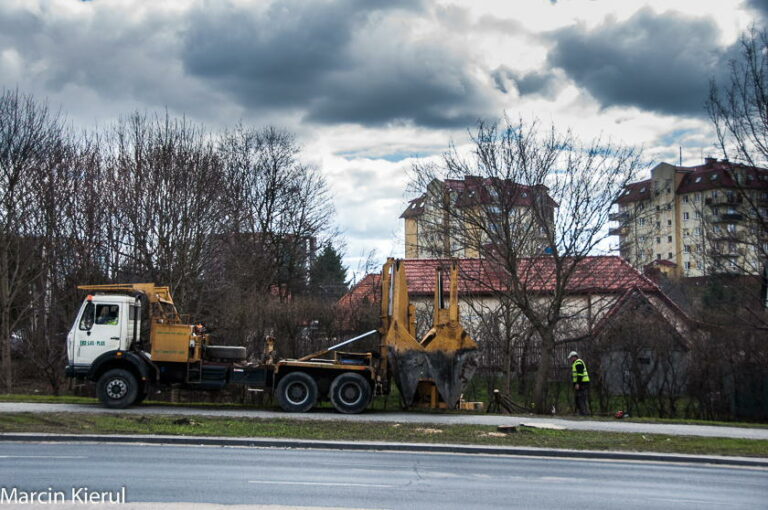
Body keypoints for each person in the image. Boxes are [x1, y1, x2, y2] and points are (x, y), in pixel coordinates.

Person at [568, 351, 590, 416]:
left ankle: (584, 413)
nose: (570, 359)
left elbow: (580, 374)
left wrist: (578, 383)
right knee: (579, 398)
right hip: (582, 383)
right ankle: (582, 412)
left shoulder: (578, 363)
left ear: (574, 357)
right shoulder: (576, 363)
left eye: (571, 358)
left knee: (581, 398)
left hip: (582, 383)